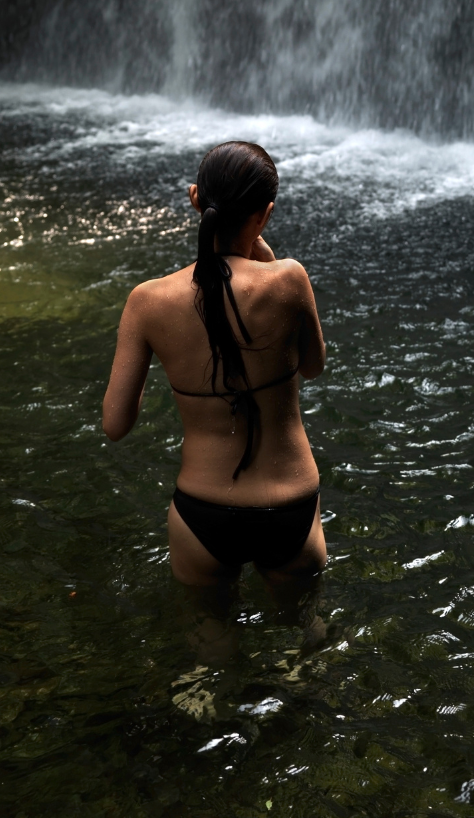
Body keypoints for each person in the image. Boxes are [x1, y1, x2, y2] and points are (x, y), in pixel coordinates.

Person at [102, 141, 327, 609]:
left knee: (207, 661)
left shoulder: (147, 300)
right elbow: (312, 367)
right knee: (306, 653)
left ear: (195, 200)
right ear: (265, 214)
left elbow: (115, 424)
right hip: (290, 505)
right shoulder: (289, 279)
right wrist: (263, 251)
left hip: (203, 510)